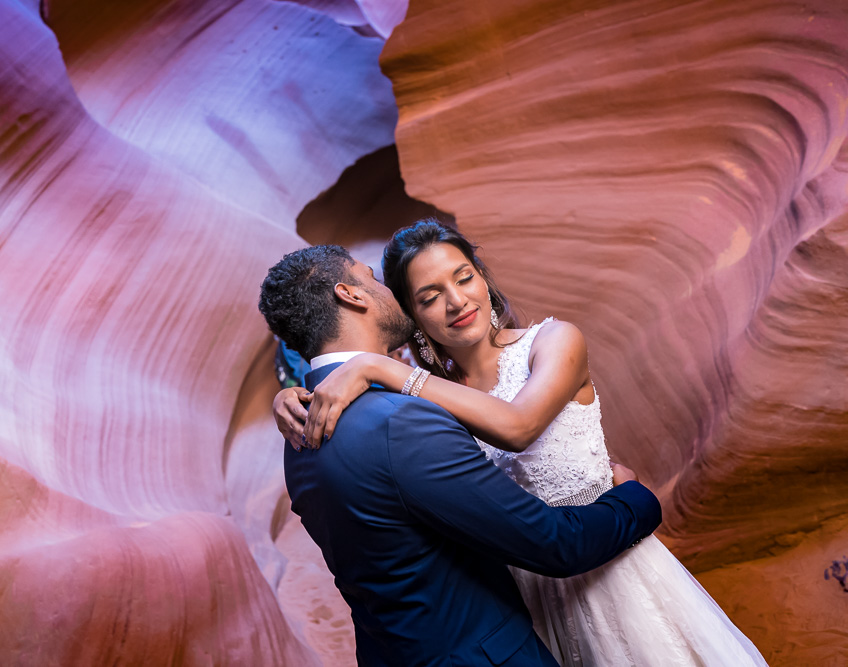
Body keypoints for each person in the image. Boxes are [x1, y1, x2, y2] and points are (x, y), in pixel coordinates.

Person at [273, 220, 767, 666]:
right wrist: (300, 391)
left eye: (464, 277)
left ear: (483, 276)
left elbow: (518, 424)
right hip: (529, 599)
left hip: (612, 572)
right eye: (428, 296)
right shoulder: (415, 400)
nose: (457, 301)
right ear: (411, 313)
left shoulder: (550, 342)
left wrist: (375, 366)